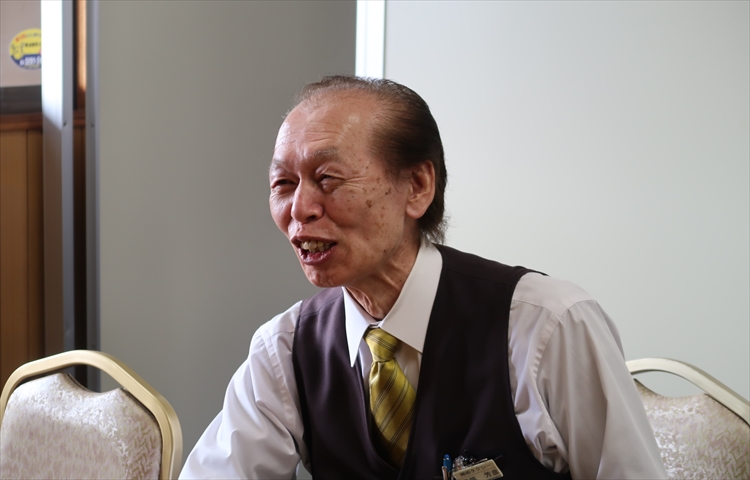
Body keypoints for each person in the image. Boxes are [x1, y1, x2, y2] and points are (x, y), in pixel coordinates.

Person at [180, 76, 667, 479]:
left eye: (328, 178)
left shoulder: (547, 327)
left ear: (417, 187)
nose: (299, 209)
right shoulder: (285, 351)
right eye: (283, 184)